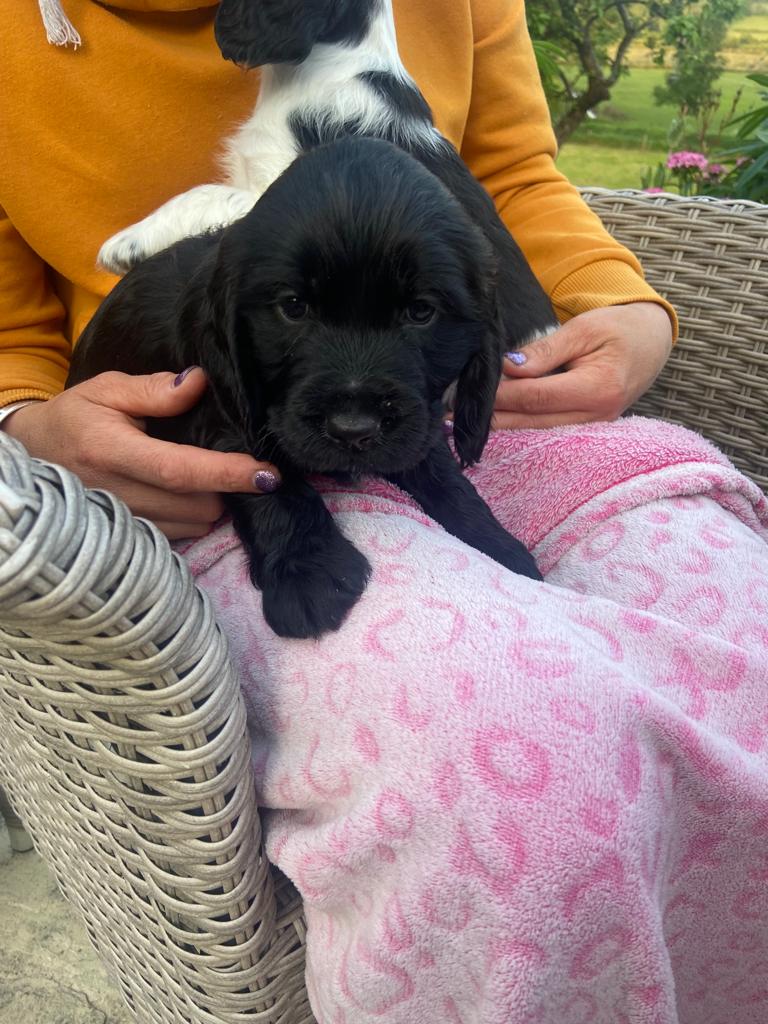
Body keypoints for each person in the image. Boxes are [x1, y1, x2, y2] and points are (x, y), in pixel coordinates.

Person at [2, 3, 767, 1022]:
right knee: (516, 767)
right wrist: (24, 421)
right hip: (188, 444)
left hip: (487, 405)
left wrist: (618, 305)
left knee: (743, 658)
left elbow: (514, 175)